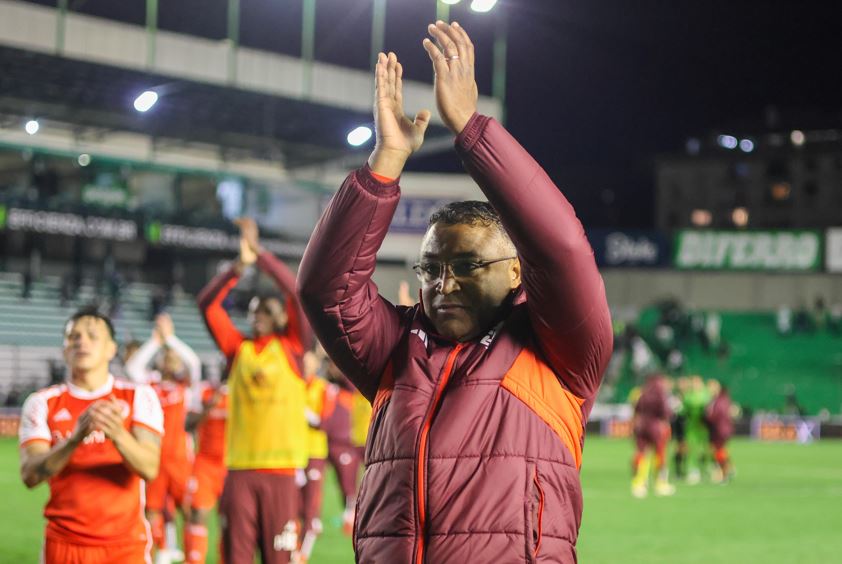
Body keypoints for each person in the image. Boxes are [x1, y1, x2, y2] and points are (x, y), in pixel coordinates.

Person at [296, 21, 613, 563]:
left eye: (468, 265)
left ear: (517, 271)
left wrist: (470, 129)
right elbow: (326, 288)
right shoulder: (395, 349)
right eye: (431, 268)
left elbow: (561, 250)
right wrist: (386, 163)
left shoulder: (559, 352)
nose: (444, 284)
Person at [197, 218, 313, 564]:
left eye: (266, 310)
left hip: (281, 472)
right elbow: (208, 305)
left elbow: (295, 291)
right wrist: (237, 268)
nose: (257, 314)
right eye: (253, 310)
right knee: (236, 557)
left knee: (278, 559)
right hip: (239, 470)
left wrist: (260, 255)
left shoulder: (293, 348)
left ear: (281, 317)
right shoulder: (239, 350)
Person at [18, 308, 163, 563]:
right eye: (73, 337)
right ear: (64, 350)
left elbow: (149, 468)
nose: (81, 341)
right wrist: (75, 439)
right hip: (64, 544)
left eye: (92, 336)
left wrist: (117, 433)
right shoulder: (42, 403)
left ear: (111, 349)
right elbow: (30, 475)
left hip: (125, 546)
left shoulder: (139, 396)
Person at [125, 313, 201, 564]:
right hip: (155, 455)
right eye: (167, 355)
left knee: (189, 510)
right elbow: (133, 367)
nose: (171, 358)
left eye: (173, 356)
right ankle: (160, 551)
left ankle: (193, 556)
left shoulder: (187, 387)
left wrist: (171, 339)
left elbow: (194, 362)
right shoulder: (150, 384)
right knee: (152, 509)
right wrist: (157, 341)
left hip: (181, 458)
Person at [184, 380, 228, 564]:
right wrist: (208, 407)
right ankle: (194, 560)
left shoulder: (240, 390)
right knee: (198, 513)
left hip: (231, 465)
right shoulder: (203, 391)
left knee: (228, 520)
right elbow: (188, 425)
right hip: (205, 464)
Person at [630, 375, 675, 498]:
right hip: (656, 427)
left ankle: (638, 483)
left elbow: (636, 409)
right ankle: (660, 484)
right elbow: (666, 412)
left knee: (641, 453)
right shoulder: (660, 394)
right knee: (659, 454)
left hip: (641, 426)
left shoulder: (643, 393)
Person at [705, 380, 734, 483]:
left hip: (719, 429)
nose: (710, 389)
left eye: (712, 387)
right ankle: (728, 470)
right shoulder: (718, 399)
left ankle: (725, 473)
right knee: (719, 451)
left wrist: (706, 418)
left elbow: (715, 415)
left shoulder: (719, 400)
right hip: (719, 429)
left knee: (719, 451)